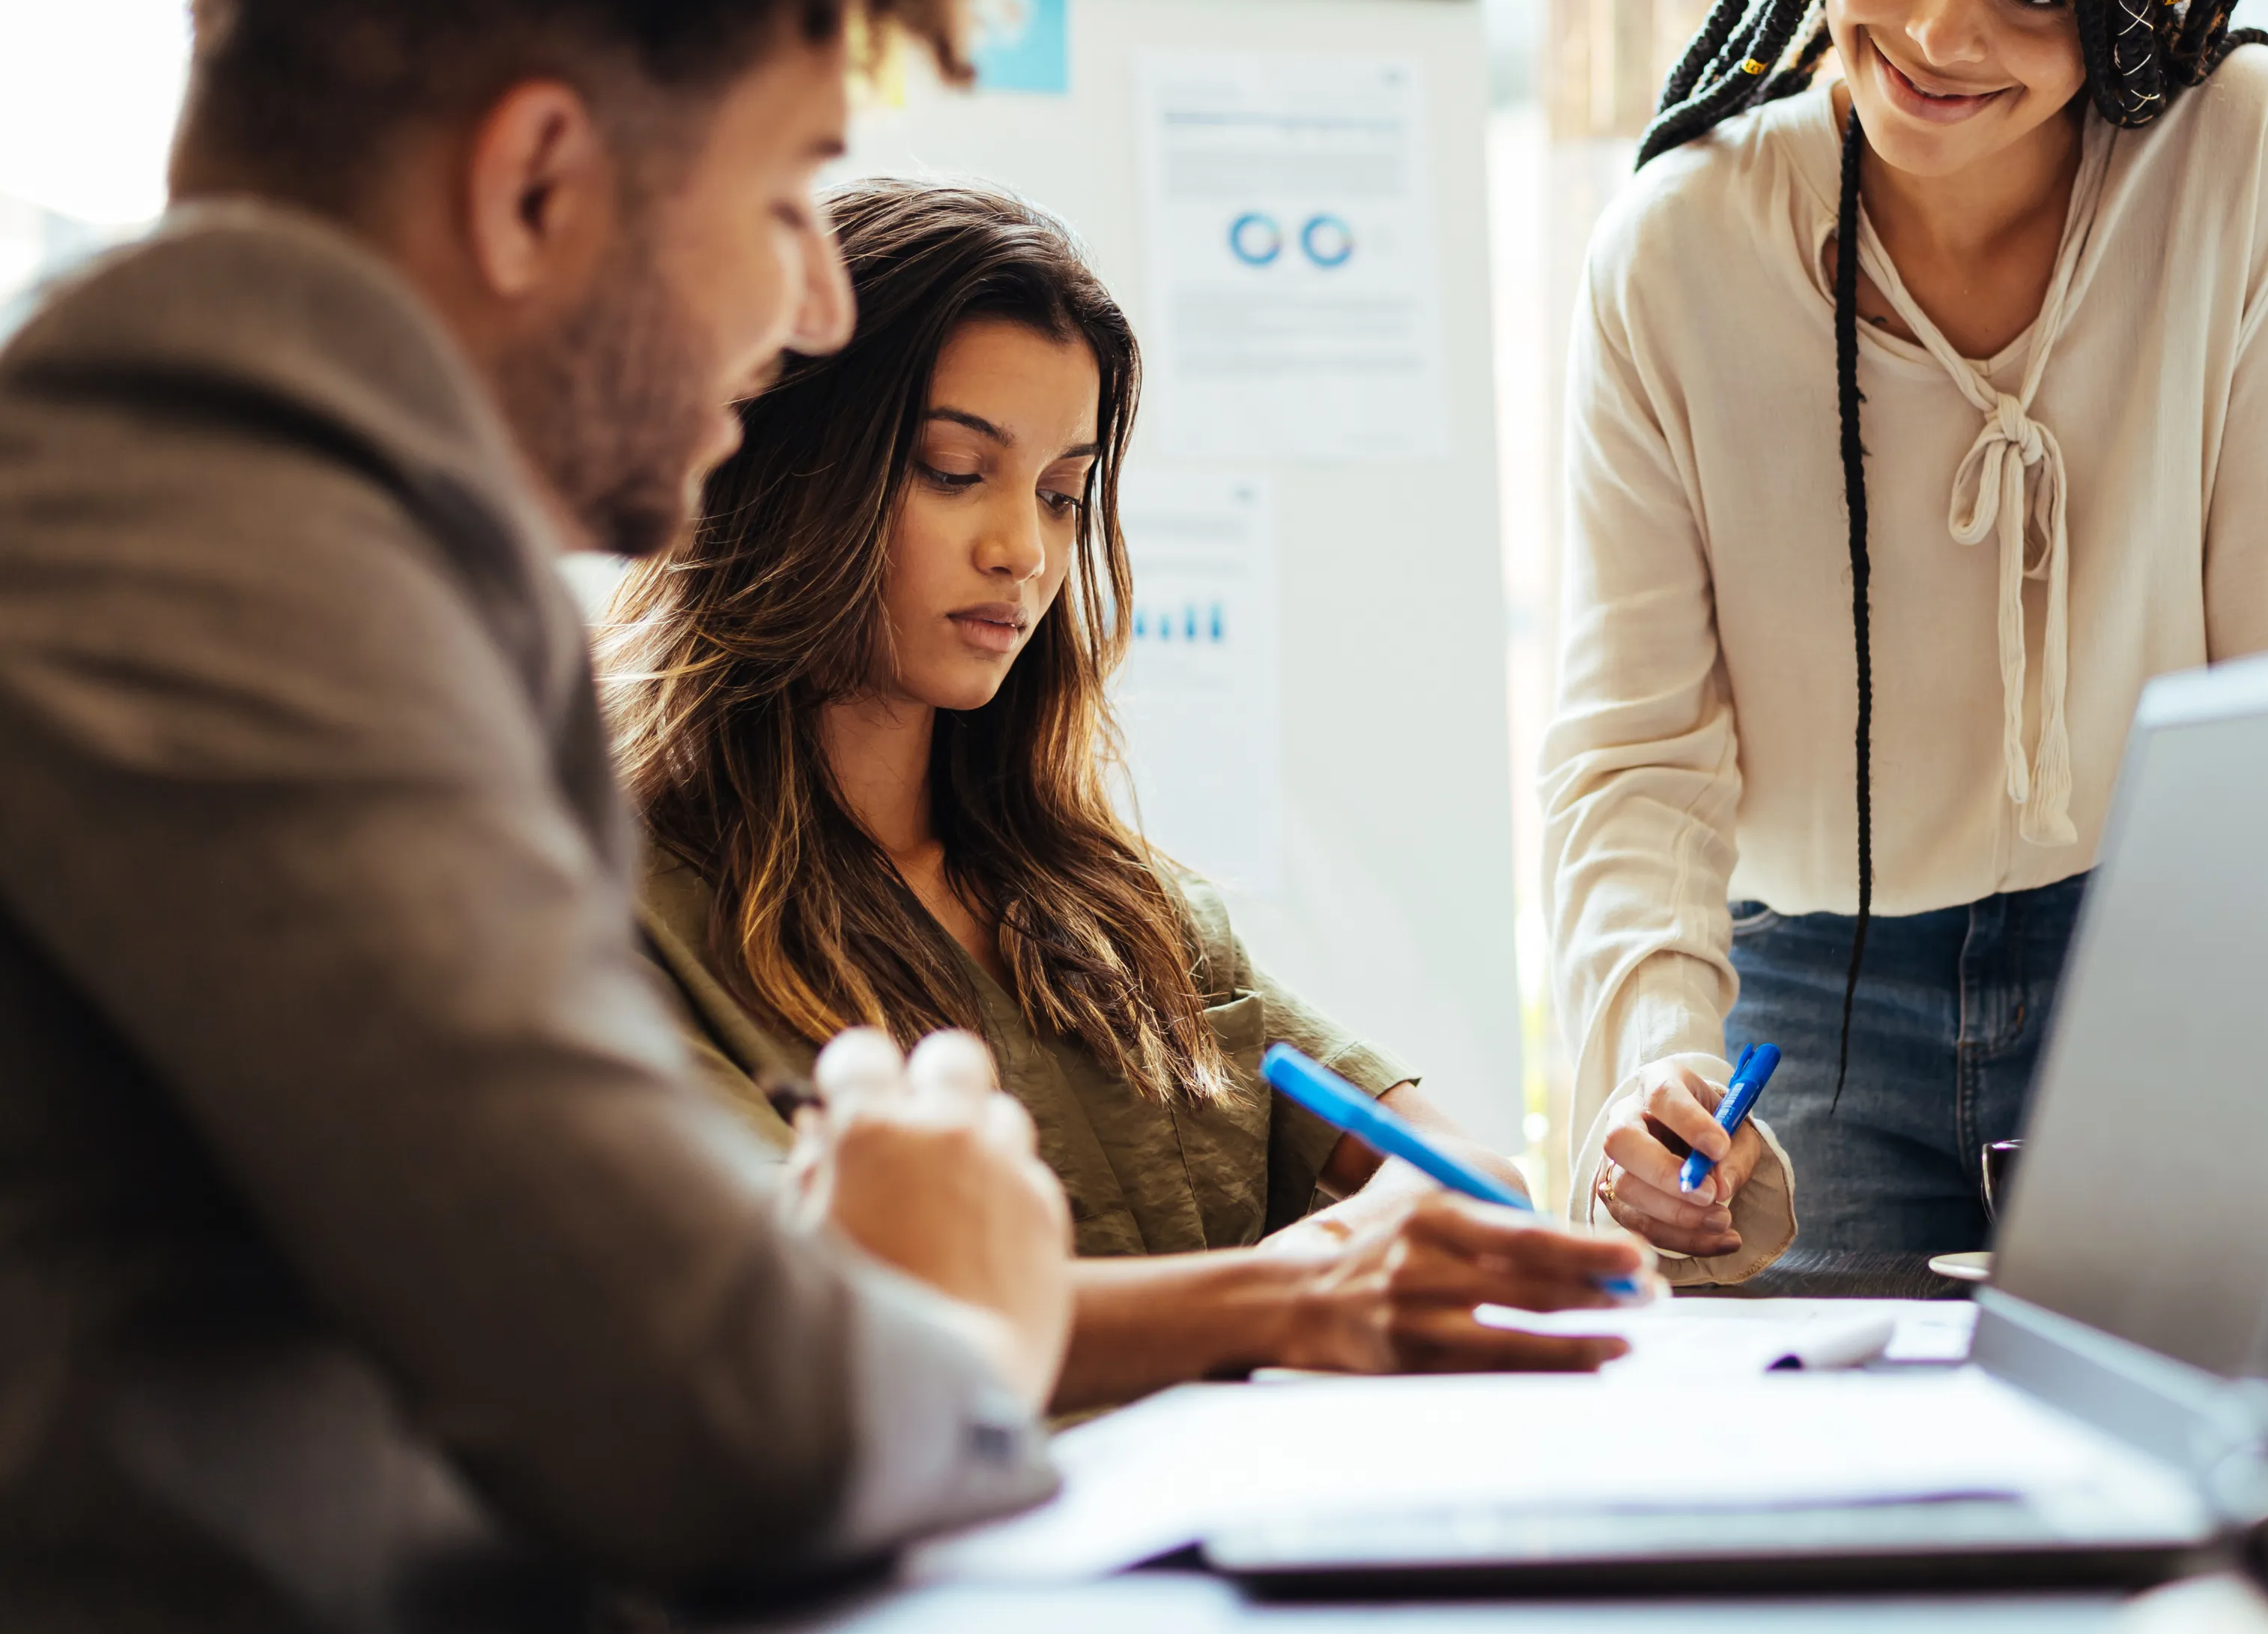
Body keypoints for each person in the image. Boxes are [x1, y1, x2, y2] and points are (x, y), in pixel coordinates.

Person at [0, 0, 1088, 1627]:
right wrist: (957, 1319)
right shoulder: (201, 542)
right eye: (787, 197)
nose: (821, 304)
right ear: (534, 189)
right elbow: (696, 1401)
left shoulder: (265, 528)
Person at [1546, 0, 2268, 1274]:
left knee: (2190, 1478)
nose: (1935, 36)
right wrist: (1652, 1058)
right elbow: (1632, 750)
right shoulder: (1676, 248)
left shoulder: (2234, 160)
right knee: (1826, 1492)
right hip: (1803, 991)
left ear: (2131, 4)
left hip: (2163, 952)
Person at [601, 180, 1646, 1405]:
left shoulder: (1121, 902)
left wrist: (1434, 1221)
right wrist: (1300, 1293)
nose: (1024, 551)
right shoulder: (617, 912)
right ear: (782, 468)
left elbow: (1469, 1179)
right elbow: (793, 1327)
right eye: (953, 471)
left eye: (1060, 492)